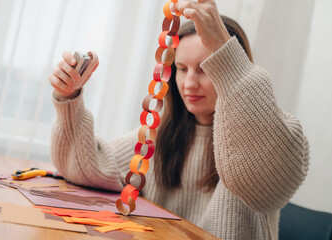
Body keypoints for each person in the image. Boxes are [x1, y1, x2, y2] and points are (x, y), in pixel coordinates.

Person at [49, 1, 309, 239]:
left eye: (206, 68)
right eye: (182, 69)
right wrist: (68, 98)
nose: (189, 83)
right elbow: (88, 168)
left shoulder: (272, 133)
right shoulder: (161, 134)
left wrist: (223, 48)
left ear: (230, 64)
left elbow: (267, 185)